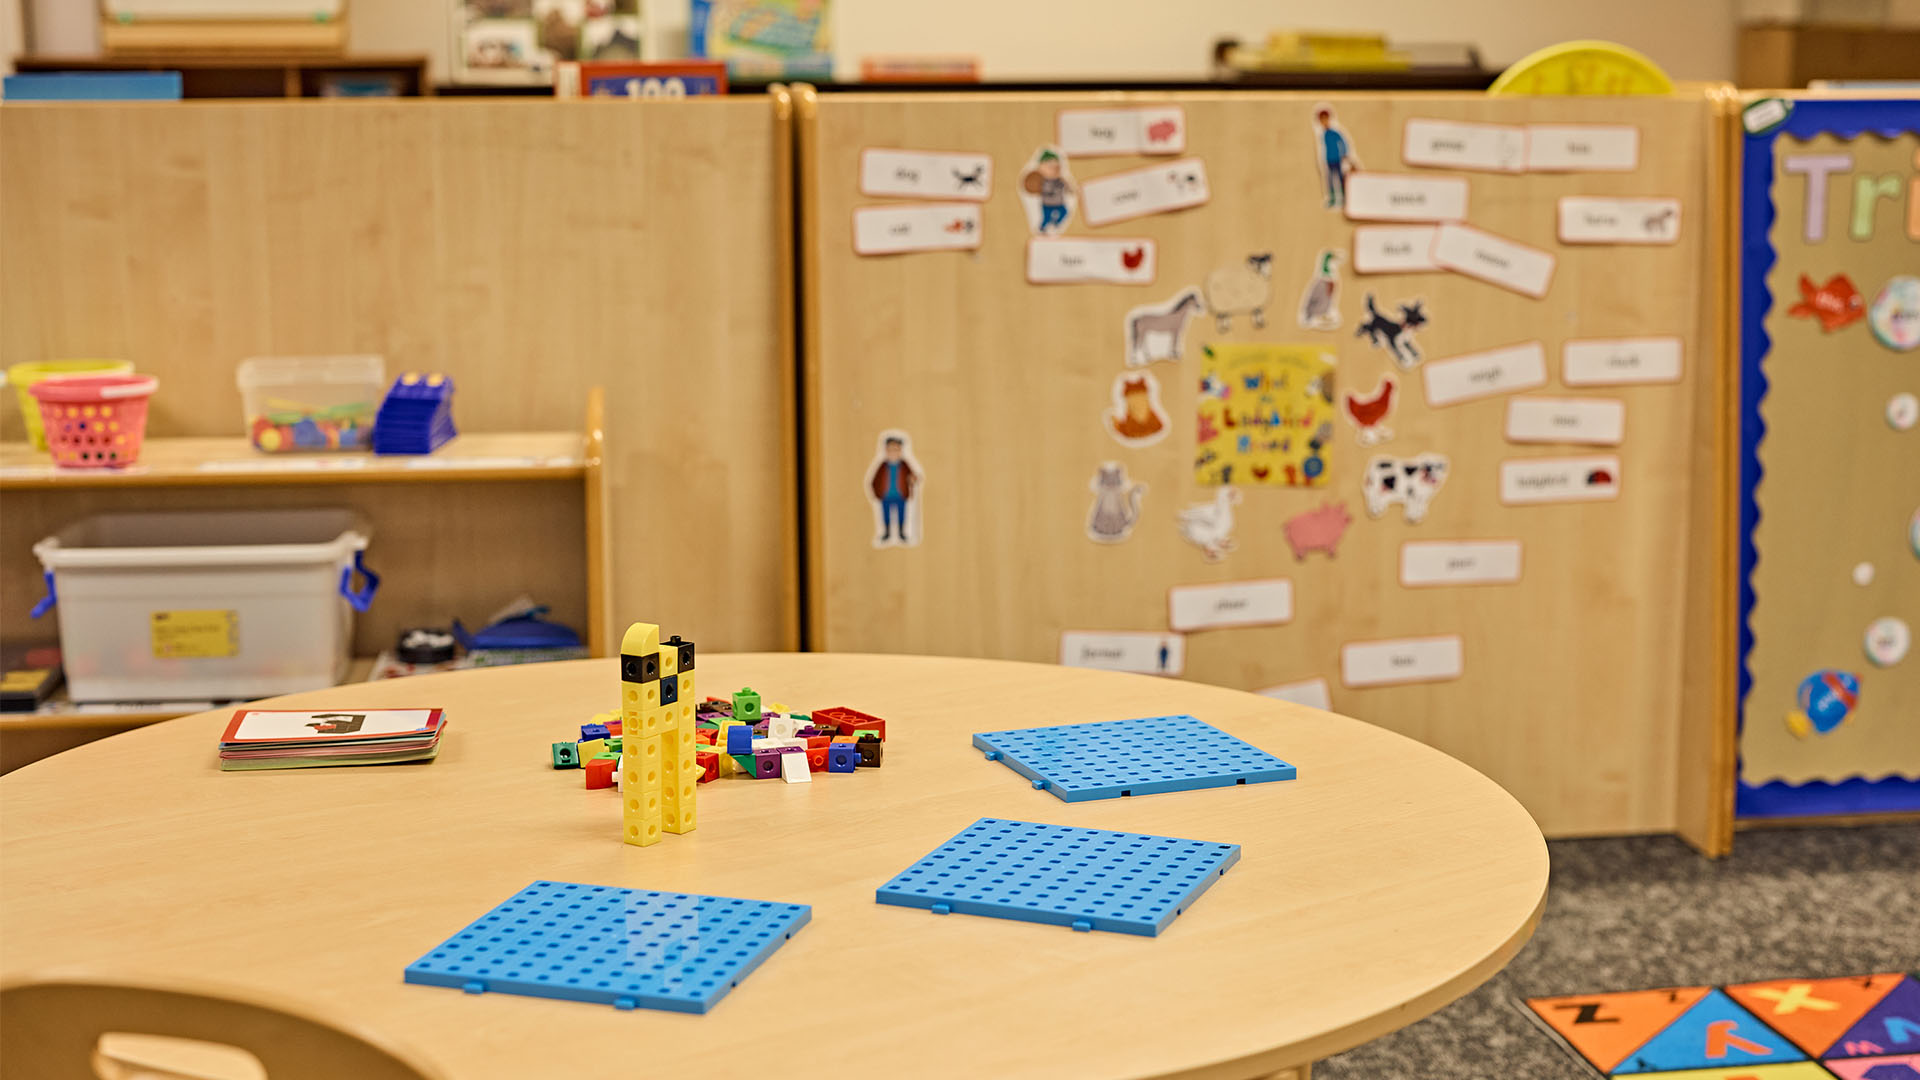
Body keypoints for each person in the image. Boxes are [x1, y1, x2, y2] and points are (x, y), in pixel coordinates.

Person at [868, 435, 919, 544]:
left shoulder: (904, 465)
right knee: (886, 515)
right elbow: (874, 481)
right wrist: (877, 492)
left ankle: (901, 533)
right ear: (886, 451)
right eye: (890, 450)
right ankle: (887, 533)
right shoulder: (883, 466)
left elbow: (913, 476)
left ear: (900, 451)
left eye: (896, 450)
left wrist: (913, 479)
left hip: (900, 495)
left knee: (901, 514)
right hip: (886, 495)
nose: (893, 453)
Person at [1314, 107, 1358, 209]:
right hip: (1329, 160)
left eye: (1325, 119)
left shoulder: (1334, 132)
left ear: (1329, 119)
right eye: (1321, 120)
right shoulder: (1323, 134)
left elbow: (1343, 142)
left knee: (1339, 178)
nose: (1323, 122)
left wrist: (1344, 154)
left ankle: (1344, 198)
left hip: (1337, 159)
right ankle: (1332, 199)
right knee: (1330, 179)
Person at [1026, 150, 1074, 234]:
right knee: (1046, 218)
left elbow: (1067, 188)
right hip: (1047, 204)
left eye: (1056, 167)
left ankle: (1056, 223)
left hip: (1059, 203)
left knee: (1064, 212)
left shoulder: (1060, 180)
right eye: (1050, 167)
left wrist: (1070, 189)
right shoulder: (1043, 181)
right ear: (1041, 168)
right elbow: (1045, 190)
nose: (1054, 170)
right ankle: (1042, 228)